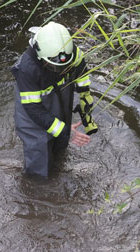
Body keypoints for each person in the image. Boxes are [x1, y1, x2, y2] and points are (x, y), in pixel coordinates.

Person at [11, 21, 98, 178]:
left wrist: (86, 101)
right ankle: (35, 188)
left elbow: (82, 76)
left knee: (60, 143)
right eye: (54, 66)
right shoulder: (27, 68)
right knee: (38, 152)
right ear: (40, 55)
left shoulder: (72, 53)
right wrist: (66, 132)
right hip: (33, 103)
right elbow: (33, 109)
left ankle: (58, 156)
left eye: (63, 66)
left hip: (59, 91)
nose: (60, 70)